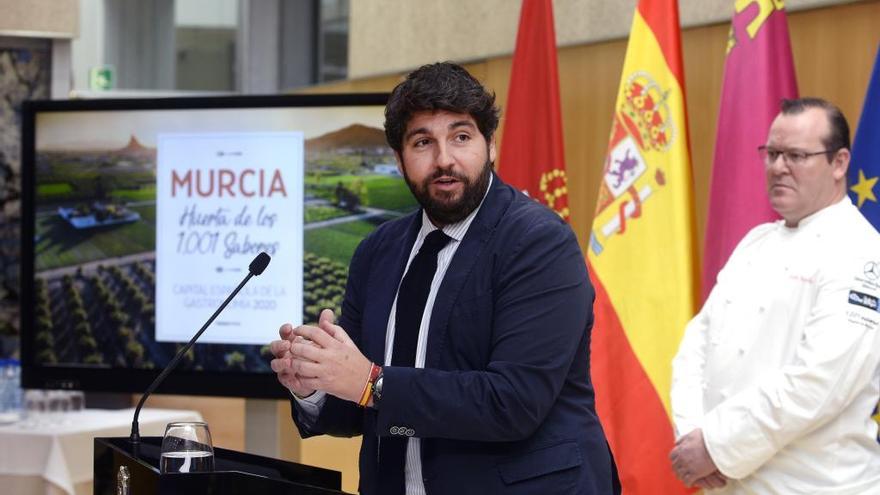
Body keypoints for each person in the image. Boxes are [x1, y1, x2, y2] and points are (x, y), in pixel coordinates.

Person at [270, 62, 616, 494]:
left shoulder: (539, 242)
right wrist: (314, 383)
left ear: (490, 146)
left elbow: (512, 402)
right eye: (423, 142)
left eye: (462, 137)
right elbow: (362, 405)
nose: (444, 159)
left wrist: (370, 382)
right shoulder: (376, 252)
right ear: (399, 159)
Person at [669, 98, 880, 493]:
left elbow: (819, 383)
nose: (779, 167)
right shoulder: (755, 242)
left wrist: (715, 446)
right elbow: (695, 347)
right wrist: (692, 435)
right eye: (773, 154)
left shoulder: (862, 252)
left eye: (796, 155)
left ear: (839, 163)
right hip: (725, 480)